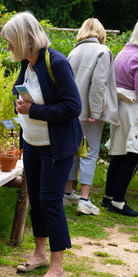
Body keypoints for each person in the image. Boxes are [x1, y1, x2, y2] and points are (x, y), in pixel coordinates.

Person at [1, 11, 83, 277]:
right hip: (32, 144)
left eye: (11, 40)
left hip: (55, 146)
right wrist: (19, 102)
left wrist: (32, 111)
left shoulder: (56, 62)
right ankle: (39, 254)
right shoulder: (28, 63)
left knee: (50, 201)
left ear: (26, 38)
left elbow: (72, 107)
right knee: (36, 201)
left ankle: (57, 266)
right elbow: (20, 90)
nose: (8, 46)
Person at [64, 18, 119, 215]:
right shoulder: (102, 51)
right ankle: (85, 200)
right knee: (89, 153)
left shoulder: (73, 52)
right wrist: (96, 112)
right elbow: (98, 84)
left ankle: (68, 192)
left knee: (75, 151)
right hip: (89, 114)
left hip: (72, 112)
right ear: (101, 33)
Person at [102, 20, 138, 217]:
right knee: (132, 155)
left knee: (119, 154)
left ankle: (108, 197)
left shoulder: (125, 52)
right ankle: (118, 202)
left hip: (119, 108)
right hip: (132, 110)